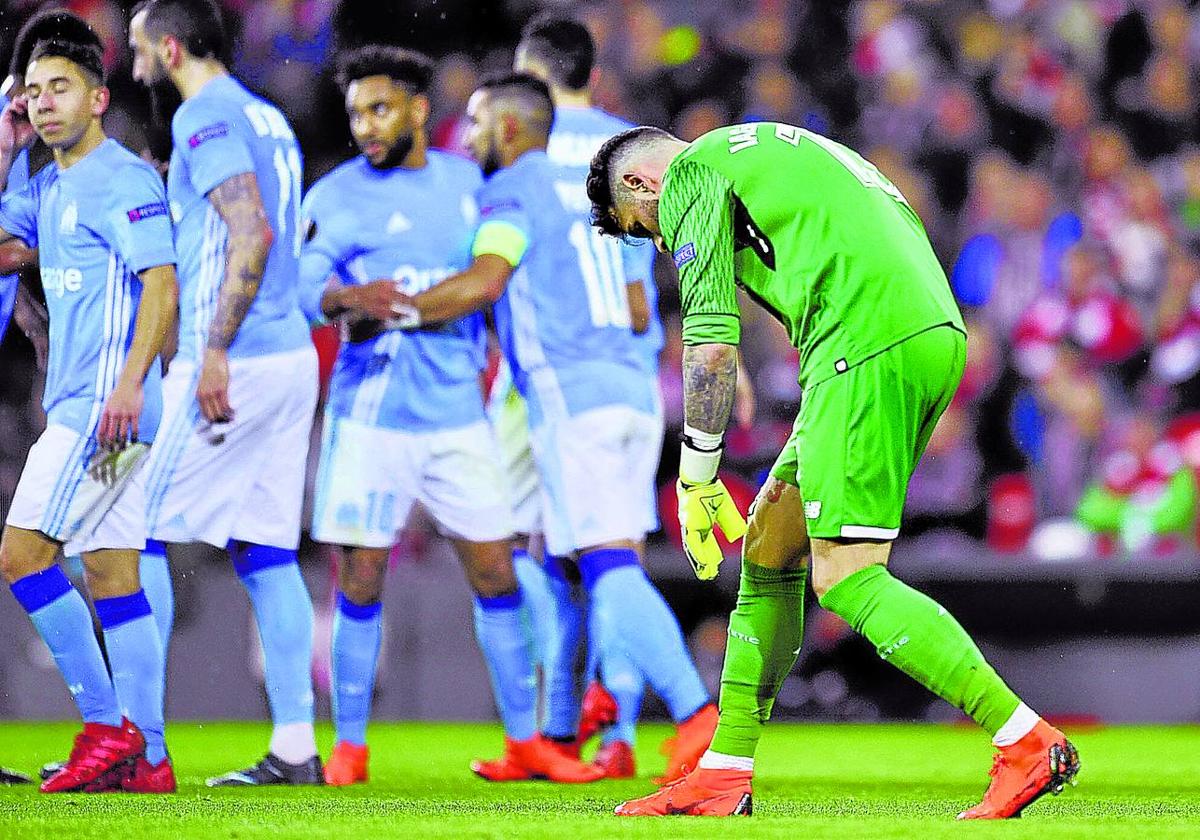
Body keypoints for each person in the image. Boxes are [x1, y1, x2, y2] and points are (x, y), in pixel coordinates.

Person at [586, 121, 1081, 819]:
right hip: (920, 332)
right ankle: (725, 770)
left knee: (846, 574)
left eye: (644, 228)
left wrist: (696, 476)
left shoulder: (693, 170)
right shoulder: (776, 147)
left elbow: (708, 344)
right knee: (771, 542)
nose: (662, 243)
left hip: (862, 346)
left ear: (642, 184)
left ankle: (1024, 739)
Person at [393, 72, 718, 784]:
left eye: (476, 123)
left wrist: (402, 309)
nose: (467, 136)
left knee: (605, 566)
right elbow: (639, 309)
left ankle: (698, 715)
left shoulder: (512, 189)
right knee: (561, 558)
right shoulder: (594, 184)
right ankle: (564, 731)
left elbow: (486, 279)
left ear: (509, 129)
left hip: (576, 401)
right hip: (630, 391)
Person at [299, 44, 602, 787]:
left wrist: (394, 306)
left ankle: (525, 741)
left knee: (497, 573)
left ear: (417, 110)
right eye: (356, 113)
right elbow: (307, 288)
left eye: (380, 109)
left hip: (457, 414)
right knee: (360, 577)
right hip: (368, 414)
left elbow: (494, 275)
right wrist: (344, 299)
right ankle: (349, 747)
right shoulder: (333, 195)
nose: (366, 126)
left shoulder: (473, 184)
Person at [128, 0, 321, 786]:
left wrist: (211, 348)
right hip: (290, 356)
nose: (135, 65)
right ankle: (297, 749)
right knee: (267, 555)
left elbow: (253, 230)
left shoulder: (202, 117)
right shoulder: (266, 116)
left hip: (233, 360)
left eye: (140, 50)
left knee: (130, 533)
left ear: (170, 48)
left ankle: (137, 746)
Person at [0, 18, 178, 794]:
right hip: (101, 408)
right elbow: (5, 250)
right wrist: (5, 149)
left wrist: (132, 383)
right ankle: (152, 759)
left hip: (104, 409)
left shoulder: (125, 180)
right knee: (111, 573)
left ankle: (109, 729)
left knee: (20, 556)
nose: (43, 104)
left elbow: (163, 286)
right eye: (32, 93)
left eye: (59, 88)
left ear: (99, 96)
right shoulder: (47, 186)